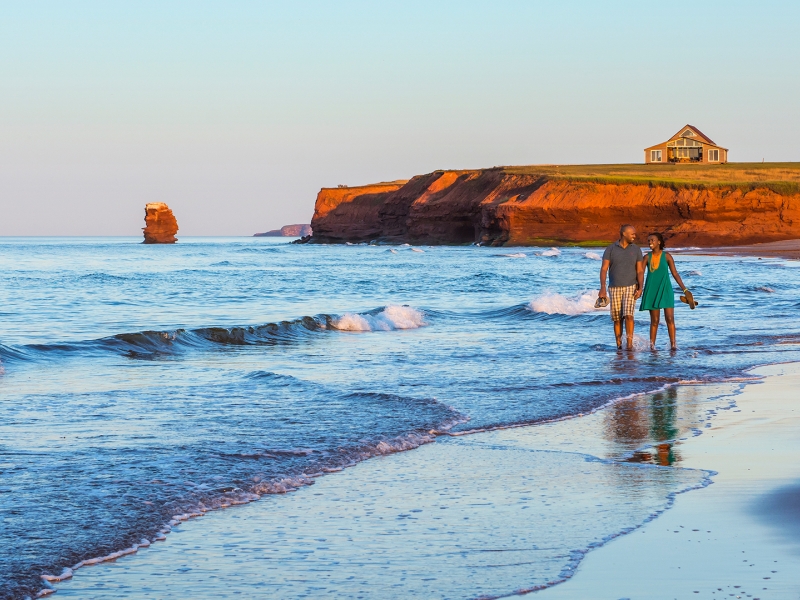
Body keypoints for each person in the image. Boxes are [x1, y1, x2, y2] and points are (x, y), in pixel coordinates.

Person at [639, 232, 689, 351]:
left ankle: (673, 346)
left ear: (659, 242)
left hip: (666, 289)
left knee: (670, 319)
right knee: (654, 321)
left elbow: (675, 274)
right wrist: (638, 288)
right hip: (651, 290)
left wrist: (685, 289)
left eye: (652, 240)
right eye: (649, 240)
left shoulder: (667, 256)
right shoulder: (646, 257)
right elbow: (639, 273)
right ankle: (652, 347)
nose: (650, 242)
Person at [598, 224, 644, 350]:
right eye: (632, 233)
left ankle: (629, 346)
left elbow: (640, 271)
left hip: (631, 286)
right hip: (614, 288)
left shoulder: (636, 249)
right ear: (624, 234)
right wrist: (602, 288)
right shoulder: (610, 249)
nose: (635, 236)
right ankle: (619, 346)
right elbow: (603, 269)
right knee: (617, 319)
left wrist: (640, 287)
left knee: (629, 315)